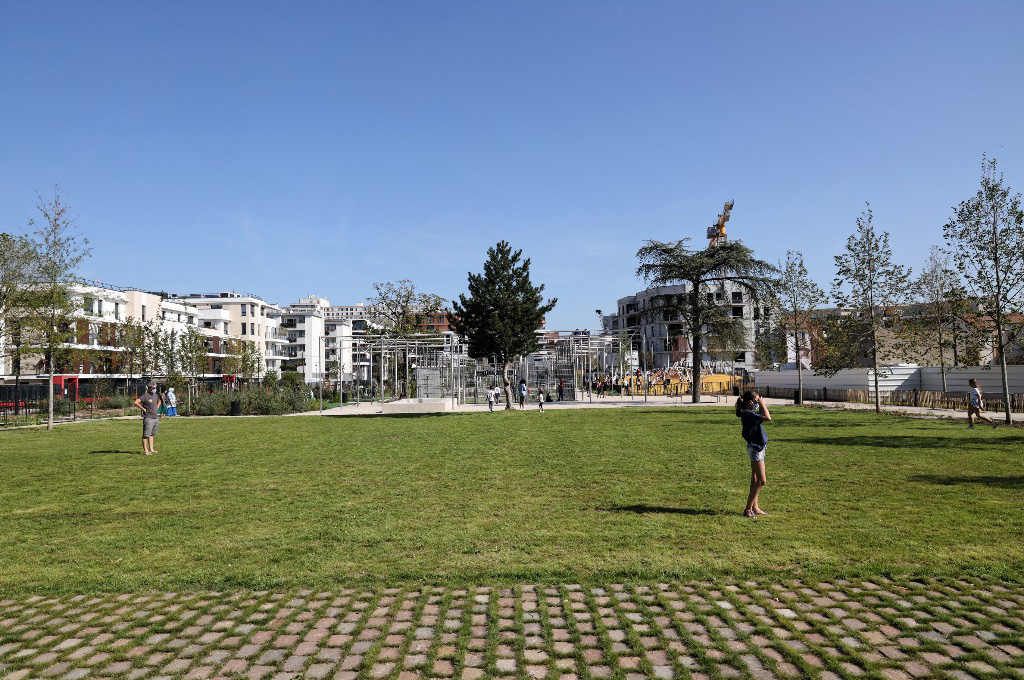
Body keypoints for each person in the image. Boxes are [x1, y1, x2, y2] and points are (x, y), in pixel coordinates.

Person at [736, 390, 772, 519]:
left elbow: (762, 416)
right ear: (750, 402)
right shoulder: (747, 414)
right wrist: (763, 403)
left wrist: (760, 403)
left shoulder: (749, 414)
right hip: (756, 450)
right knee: (762, 481)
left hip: (758, 447)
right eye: (757, 401)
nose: (758, 403)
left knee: (755, 479)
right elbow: (768, 417)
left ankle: (755, 508)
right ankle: (747, 510)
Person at [133, 382, 163, 455]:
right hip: (148, 418)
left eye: (155, 388)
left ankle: (151, 449)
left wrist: (157, 406)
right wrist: (143, 409)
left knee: (152, 434)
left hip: (155, 418)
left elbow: (160, 401)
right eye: (153, 388)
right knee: (146, 435)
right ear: (149, 388)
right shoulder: (145, 396)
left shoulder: (155, 395)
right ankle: (146, 451)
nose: (154, 389)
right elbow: (136, 402)